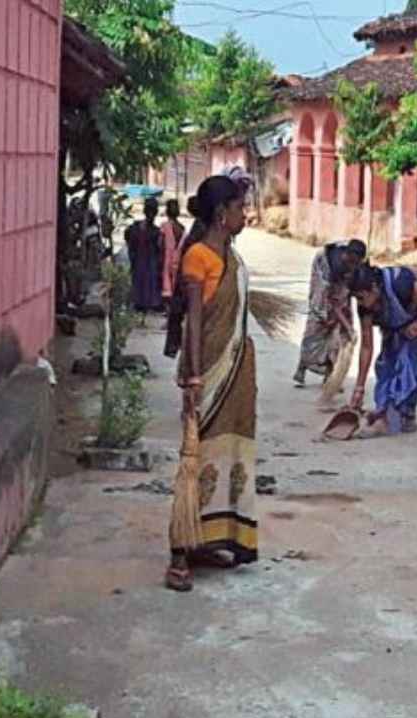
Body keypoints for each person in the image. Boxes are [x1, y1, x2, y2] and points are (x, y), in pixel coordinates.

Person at [165, 175, 258, 592]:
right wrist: (195, 378)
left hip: (237, 371)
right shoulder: (198, 257)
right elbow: (194, 325)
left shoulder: (232, 255)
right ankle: (179, 552)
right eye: (240, 207)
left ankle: (208, 539)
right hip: (210, 371)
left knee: (228, 450)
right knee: (195, 456)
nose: (245, 214)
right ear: (222, 214)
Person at [347, 255, 417, 436]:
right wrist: (359, 388)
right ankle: (385, 411)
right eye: (356, 298)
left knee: (412, 367)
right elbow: (367, 347)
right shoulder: (365, 307)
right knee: (387, 364)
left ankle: (399, 415)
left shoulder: (401, 285)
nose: (359, 302)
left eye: (361, 297)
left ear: (374, 289)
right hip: (395, 327)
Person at [293, 240, 363, 387]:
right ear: (346, 255)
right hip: (324, 278)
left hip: (340, 284)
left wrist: (348, 326)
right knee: (317, 323)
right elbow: (330, 298)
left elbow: (345, 299)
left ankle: (330, 375)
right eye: (351, 262)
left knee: (341, 335)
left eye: (355, 264)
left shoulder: (355, 268)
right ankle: (302, 367)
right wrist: (328, 316)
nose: (352, 266)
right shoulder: (330, 264)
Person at [126, 198, 163, 312]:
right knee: (147, 280)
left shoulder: (137, 228)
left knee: (143, 280)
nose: (151, 214)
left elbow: (130, 242)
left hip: (142, 261)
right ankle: (145, 302)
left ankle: (142, 302)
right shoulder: (154, 231)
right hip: (146, 261)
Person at [160, 199, 186, 310]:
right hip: (178, 258)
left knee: (166, 285)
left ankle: (168, 311)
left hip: (166, 258)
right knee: (175, 285)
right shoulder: (182, 228)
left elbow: (160, 243)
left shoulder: (164, 226)